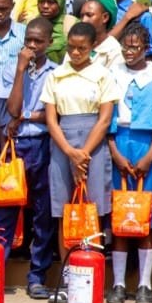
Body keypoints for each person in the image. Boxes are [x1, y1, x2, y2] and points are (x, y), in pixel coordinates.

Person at [41, 23, 118, 279]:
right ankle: (67, 274)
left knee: (92, 207)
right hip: (62, 141)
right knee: (65, 208)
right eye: (72, 48)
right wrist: (69, 151)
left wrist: (82, 153)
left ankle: (91, 270)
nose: (75, 53)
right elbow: (52, 120)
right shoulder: (55, 75)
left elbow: (105, 119)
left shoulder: (102, 75)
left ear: (92, 46)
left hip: (92, 143)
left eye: (82, 49)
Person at [0, 18, 60, 299]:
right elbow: (11, 107)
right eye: (28, 41)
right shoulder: (12, 69)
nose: (32, 46)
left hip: (43, 144)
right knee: (6, 209)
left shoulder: (56, 73)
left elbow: (52, 115)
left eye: (38, 41)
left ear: (49, 43)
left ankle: (37, 277)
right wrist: (21, 70)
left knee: (43, 214)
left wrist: (27, 116)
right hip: (16, 145)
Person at [106, 22, 152, 303]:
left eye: (135, 47)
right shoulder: (112, 74)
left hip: (147, 146)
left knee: (144, 219)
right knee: (121, 218)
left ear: (147, 48)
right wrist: (115, 152)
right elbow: (105, 117)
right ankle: (118, 283)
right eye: (125, 47)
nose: (129, 52)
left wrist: (151, 155)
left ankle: (144, 284)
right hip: (120, 142)